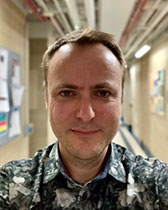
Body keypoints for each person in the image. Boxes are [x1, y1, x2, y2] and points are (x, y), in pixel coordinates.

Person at [0, 28, 168, 210]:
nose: (86, 114)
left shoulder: (156, 186)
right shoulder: (11, 186)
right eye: (67, 93)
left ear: (121, 99)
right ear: (47, 99)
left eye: (102, 93)